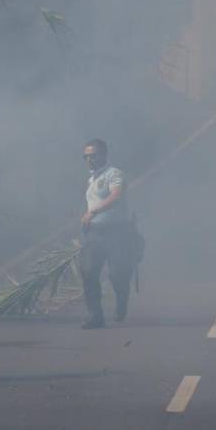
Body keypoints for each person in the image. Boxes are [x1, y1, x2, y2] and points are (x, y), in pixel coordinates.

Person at [79, 138, 134, 329]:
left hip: (117, 232)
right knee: (88, 272)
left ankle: (121, 302)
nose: (89, 160)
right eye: (86, 156)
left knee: (117, 274)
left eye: (93, 156)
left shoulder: (114, 174)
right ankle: (95, 316)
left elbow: (116, 196)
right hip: (95, 233)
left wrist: (93, 212)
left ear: (104, 154)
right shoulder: (91, 179)